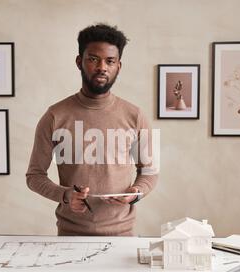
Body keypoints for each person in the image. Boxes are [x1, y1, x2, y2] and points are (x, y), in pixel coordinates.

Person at [26, 24, 158, 236]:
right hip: (70, 237)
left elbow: (149, 172)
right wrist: (66, 195)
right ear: (79, 62)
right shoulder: (54, 116)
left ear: (118, 66)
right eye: (93, 59)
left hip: (123, 236)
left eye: (110, 61)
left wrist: (136, 192)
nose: (102, 67)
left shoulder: (135, 116)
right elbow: (34, 176)